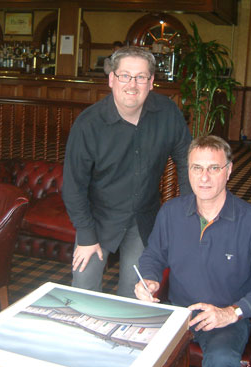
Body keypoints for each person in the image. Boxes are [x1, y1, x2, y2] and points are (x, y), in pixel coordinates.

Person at [135, 135, 251, 367]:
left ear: (228, 171)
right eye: (197, 168)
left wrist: (232, 312)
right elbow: (153, 255)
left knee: (221, 361)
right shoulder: (170, 212)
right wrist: (149, 279)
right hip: (178, 312)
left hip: (224, 319)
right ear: (188, 171)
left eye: (213, 168)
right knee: (128, 345)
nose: (204, 177)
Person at [62, 46, 192, 298]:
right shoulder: (89, 123)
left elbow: (187, 162)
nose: (132, 84)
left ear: (151, 82)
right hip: (98, 218)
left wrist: (189, 212)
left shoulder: (167, 112)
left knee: (137, 294)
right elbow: (73, 186)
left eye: (141, 77)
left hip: (144, 219)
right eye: (125, 76)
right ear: (111, 79)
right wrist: (87, 236)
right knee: (83, 290)